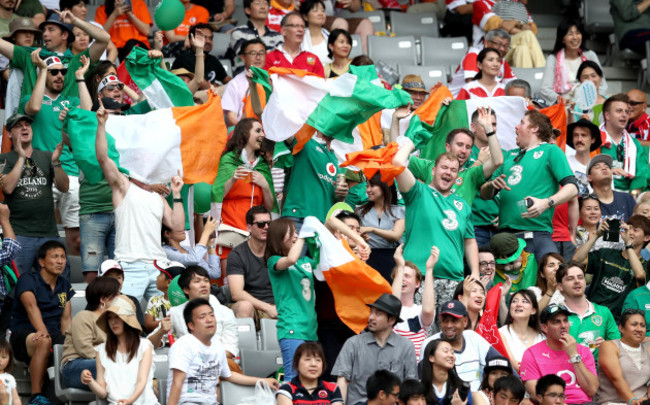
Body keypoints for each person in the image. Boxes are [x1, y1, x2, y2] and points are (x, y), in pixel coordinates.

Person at [95, 99, 186, 302]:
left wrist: (177, 194)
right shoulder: (123, 186)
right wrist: (101, 125)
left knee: (163, 319)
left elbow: (177, 226)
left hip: (158, 266)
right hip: (129, 266)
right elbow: (103, 158)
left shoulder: (157, 196)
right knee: (126, 318)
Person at [392, 126, 480, 307]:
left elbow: (470, 241)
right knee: (417, 332)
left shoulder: (462, 205)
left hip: (453, 282)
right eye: (444, 168)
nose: (448, 172)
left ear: (457, 176)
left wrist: (476, 273)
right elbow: (397, 164)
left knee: (450, 334)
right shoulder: (417, 192)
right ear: (433, 170)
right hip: (419, 278)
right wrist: (410, 144)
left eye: (453, 170)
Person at [481, 110, 579, 260]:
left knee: (549, 277)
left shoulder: (551, 151)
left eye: (522, 123)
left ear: (535, 128)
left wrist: (547, 202)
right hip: (505, 236)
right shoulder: (508, 156)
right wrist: (491, 185)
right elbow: (484, 194)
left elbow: (572, 188)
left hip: (537, 234)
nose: (516, 127)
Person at [20, 51, 91, 257]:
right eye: (54, 72)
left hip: (70, 171)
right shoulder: (30, 98)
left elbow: (87, 112)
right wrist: (42, 70)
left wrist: (79, 76)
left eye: (62, 72)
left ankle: (75, 284)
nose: (59, 76)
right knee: (40, 235)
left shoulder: (70, 101)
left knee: (77, 239)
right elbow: (33, 107)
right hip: (38, 172)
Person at [166, 298, 279, 405]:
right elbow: (177, 382)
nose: (209, 320)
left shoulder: (218, 347)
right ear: (191, 325)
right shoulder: (183, 345)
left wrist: (263, 380)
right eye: (202, 317)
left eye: (212, 315)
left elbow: (229, 375)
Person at [1, 113, 69, 275]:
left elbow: (64, 187)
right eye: (18, 126)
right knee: (18, 285)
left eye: (27, 124)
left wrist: (56, 162)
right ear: (9, 134)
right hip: (19, 234)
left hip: (48, 232)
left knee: (57, 283)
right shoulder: (3, 158)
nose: (24, 127)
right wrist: (21, 158)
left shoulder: (46, 156)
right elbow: (7, 188)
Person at [9, 240, 73, 405]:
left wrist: (68, 343)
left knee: (68, 346)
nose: (60, 261)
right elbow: (31, 307)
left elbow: (66, 319)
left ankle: (51, 399)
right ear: (41, 262)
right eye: (55, 257)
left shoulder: (64, 284)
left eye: (63, 257)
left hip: (54, 334)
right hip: (25, 335)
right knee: (44, 341)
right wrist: (43, 331)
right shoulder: (28, 279)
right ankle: (36, 396)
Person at [210, 118, 276, 266]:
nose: (262, 135)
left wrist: (265, 185)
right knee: (230, 279)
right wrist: (232, 179)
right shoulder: (229, 160)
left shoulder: (263, 166)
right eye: (258, 131)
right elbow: (217, 194)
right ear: (245, 134)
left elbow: (271, 206)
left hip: (256, 231)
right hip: (230, 226)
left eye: (263, 131)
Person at [332, 293, 418, 405]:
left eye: (378, 313)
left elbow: (410, 384)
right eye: (371, 312)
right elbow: (342, 380)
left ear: (391, 320)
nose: (371, 317)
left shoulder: (406, 346)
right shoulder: (353, 343)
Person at [149, 266, 239, 364]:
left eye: (206, 281)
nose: (203, 285)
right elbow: (149, 343)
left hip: (218, 365)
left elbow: (230, 350)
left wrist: (200, 359)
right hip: (187, 367)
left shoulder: (225, 313)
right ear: (186, 289)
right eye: (197, 281)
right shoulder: (175, 312)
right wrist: (161, 332)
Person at [265, 218, 317, 381]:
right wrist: (303, 236)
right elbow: (291, 259)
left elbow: (323, 262)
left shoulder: (306, 262)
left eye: (297, 231)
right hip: (291, 328)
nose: (296, 235)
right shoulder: (273, 261)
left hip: (311, 330)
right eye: (292, 232)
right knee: (292, 379)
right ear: (279, 236)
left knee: (309, 382)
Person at [81, 295, 158, 405]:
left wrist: (129, 401)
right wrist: (90, 381)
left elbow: (142, 381)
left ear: (127, 320)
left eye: (117, 317)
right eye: (110, 318)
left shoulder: (144, 345)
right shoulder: (101, 350)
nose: (113, 322)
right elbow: (102, 393)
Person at [573, 214, 650, 319]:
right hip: (590, 314)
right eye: (629, 228)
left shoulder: (645, 266)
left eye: (635, 230)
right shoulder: (606, 253)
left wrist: (628, 244)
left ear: (647, 237)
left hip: (618, 322)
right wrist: (597, 235)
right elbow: (577, 260)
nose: (630, 232)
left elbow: (640, 275)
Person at [519, 304, 599, 404]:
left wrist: (574, 355)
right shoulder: (531, 354)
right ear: (545, 328)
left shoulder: (583, 351)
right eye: (556, 322)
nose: (563, 325)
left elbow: (592, 390)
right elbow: (536, 393)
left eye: (565, 320)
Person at [420, 300, 499, 391]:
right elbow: (422, 380)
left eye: (454, 321)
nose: (449, 325)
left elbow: (501, 364)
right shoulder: (429, 343)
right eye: (445, 321)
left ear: (465, 321)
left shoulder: (473, 338)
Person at [60, 277, 120, 390]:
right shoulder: (84, 316)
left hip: (102, 363)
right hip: (75, 366)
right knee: (118, 367)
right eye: (117, 295)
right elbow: (85, 349)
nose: (121, 299)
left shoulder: (115, 323)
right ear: (103, 299)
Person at [555, 262, 620, 360]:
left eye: (580, 277)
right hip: (565, 371)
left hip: (599, 372)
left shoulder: (604, 312)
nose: (577, 281)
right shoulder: (553, 314)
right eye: (570, 278)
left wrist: (605, 346)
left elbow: (619, 348)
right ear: (560, 286)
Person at [540, 19, 607, 104]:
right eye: (570, 34)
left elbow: (602, 84)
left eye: (578, 33)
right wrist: (561, 100)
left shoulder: (590, 55)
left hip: (589, 100)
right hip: (564, 103)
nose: (575, 37)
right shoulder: (553, 58)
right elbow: (545, 89)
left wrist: (594, 99)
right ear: (562, 39)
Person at [227, 206, 276, 321]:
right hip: (252, 308)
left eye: (269, 223)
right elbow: (236, 293)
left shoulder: (277, 251)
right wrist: (268, 308)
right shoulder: (237, 254)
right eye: (260, 224)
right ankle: (245, 340)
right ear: (249, 227)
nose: (266, 227)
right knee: (244, 306)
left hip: (277, 306)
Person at [595, 309, 650, 405]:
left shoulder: (648, 350)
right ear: (621, 328)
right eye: (634, 324)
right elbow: (616, 378)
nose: (639, 329)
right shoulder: (609, 346)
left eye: (643, 325)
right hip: (612, 402)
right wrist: (632, 400)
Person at [391, 244, 436, 360]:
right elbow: (392, 308)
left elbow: (428, 310)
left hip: (415, 370)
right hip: (392, 367)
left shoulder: (419, 310)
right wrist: (399, 267)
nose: (402, 279)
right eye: (400, 276)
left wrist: (429, 270)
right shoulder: (386, 309)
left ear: (417, 283)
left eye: (407, 276)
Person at [599, 94, 648, 195]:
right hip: (600, 194)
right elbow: (586, 169)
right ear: (607, 115)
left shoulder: (634, 144)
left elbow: (641, 175)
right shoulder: (595, 139)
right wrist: (609, 171)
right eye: (619, 111)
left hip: (628, 195)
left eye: (626, 111)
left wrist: (632, 197)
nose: (624, 115)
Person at [471, 0, 544, 67]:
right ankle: (542, 71)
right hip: (489, 53)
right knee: (527, 35)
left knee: (522, 49)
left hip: (509, 50)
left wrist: (515, 22)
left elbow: (533, 29)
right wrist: (522, 28)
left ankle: (526, 78)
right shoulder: (480, 3)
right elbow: (499, 26)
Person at [357, 173, 405, 276]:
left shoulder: (399, 211)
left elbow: (395, 236)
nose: (368, 190)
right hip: (366, 257)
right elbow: (354, 232)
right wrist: (361, 237)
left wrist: (371, 229)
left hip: (391, 259)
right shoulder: (360, 211)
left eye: (372, 186)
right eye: (367, 186)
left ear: (384, 186)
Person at [449, 29, 515, 98]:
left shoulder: (501, 60)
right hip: (458, 101)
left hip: (486, 102)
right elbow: (472, 87)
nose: (502, 49)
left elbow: (513, 84)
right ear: (486, 43)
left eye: (506, 46)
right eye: (498, 44)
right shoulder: (474, 55)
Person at [276, 342, 343, 405]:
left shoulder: (332, 388)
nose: (313, 364)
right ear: (297, 364)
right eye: (307, 359)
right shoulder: (287, 389)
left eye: (318, 360)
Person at [222, 38, 267, 126]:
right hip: (245, 131)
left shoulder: (272, 80)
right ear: (243, 58)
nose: (258, 57)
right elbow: (232, 119)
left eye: (261, 53)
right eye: (253, 53)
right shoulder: (235, 84)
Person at [264, 12, 324, 77]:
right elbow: (264, 84)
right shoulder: (270, 58)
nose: (300, 30)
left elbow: (320, 85)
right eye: (296, 26)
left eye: (302, 27)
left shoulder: (313, 59)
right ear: (284, 31)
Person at [171, 23, 231, 88]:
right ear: (191, 41)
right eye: (203, 37)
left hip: (209, 96)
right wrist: (216, 86)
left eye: (210, 38)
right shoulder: (184, 59)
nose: (208, 41)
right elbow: (200, 84)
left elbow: (228, 81)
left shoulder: (212, 60)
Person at [161, 216, 220, 280]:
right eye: (178, 226)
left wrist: (210, 244)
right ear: (167, 233)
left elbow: (214, 274)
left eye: (182, 225)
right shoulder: (164, 251)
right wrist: (205, 233)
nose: (183, 228)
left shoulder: (189, 249)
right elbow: (193, 259)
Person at [498, 289, 544, 372]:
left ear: (533, 310)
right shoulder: (501, 333)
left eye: (524, 301)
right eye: (514, 301)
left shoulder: (541, 337)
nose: (518, 304)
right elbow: (512, 364)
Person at [420, 339, 472, 405]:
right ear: (431, 358)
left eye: (452, 352)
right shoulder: (419, 389)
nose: (451, 355)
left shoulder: (461, 389)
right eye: (445, 351)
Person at [587, 154, 636, 222]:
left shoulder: (627, 198)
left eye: (607, 166)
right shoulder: (586, 204)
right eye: (597, 167)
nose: (604, 168)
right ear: (589, 177)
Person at [143, 261, 183, 335]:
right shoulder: (154, 300)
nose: (157, 277)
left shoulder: (184, 302)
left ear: (168, 282)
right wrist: (165, 322)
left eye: (160, 275)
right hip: (159, 343)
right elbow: (148, 326)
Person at [0, 341, 19, 405]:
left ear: (9, 360)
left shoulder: (10, 378)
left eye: (3, 357)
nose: (0, 360)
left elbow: (16, 398)